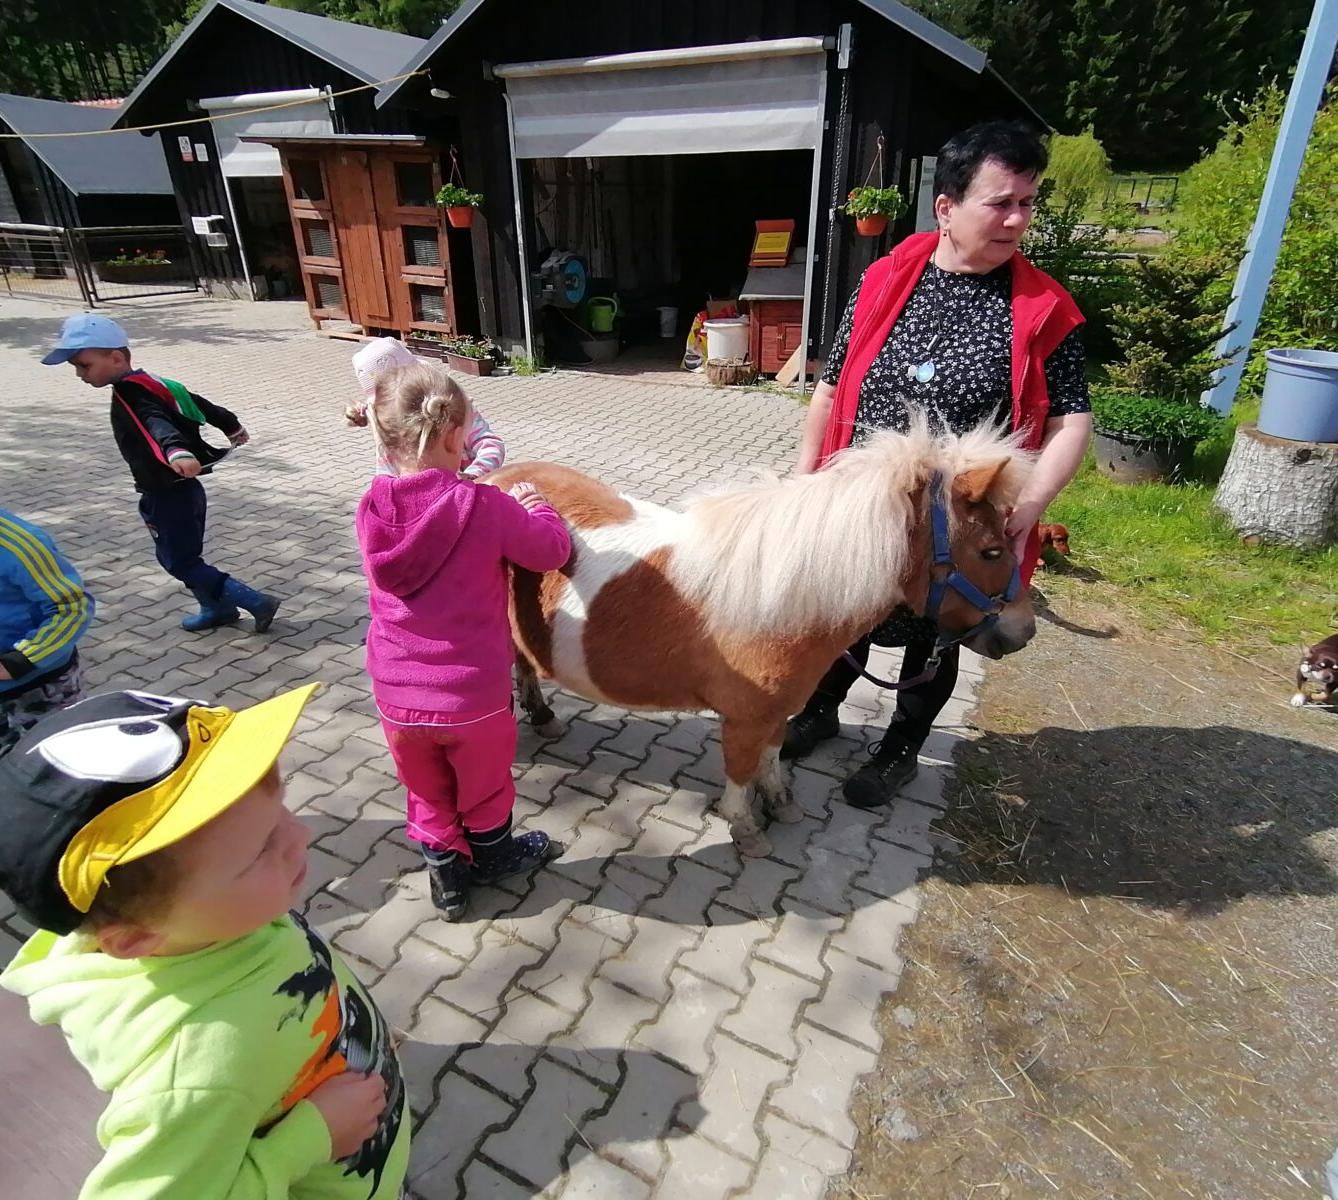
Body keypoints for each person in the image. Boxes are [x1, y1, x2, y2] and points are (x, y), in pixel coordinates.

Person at [786, 120, 1093, 809]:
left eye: (1027, 202)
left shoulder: (1046, 308)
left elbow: (1072, 420)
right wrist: (806, 473)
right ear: (947, 207)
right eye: (1000, 202)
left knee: (938, 633)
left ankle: (900, 748)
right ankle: (819, 711)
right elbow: (830, 386)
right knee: (848, 610)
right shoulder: (884, 278)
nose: (1017, 218)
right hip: (864, 502)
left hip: (962, 514)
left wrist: (1030, 507)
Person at [0, 685, 409, 1199]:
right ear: (135, 939)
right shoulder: (194, 1069)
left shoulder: (219, 922)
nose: (300, 835)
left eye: (280, 810)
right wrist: (305, 1141)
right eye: (261, 849)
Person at [356, 362, 571, 921]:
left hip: (395, 693)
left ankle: (447, 880)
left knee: (425, 788)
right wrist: (536, 504)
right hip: (470, 697)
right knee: (483, 786)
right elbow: (549, 552)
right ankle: (493, 858)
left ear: (385, 437)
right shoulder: (484, 505)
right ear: (458, 437)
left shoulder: (371, 508)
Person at [40, 313, 280, 633]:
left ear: (115, 357)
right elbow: (199, 403)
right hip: (184, 490)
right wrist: (230, 424)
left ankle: (253, 602)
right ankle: (215, 608)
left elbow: (156, 422)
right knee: (186, 556)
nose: (80, 375)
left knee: (180, 562)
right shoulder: (151, 381)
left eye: (84, 365)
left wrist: (176, 450)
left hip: (166, 493)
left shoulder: (131, 392)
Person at [0, 509, 95, 752]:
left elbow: (72, 607)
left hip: (37, 688)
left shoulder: (18, 544)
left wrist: (20, 660)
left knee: (58, 769)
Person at [347, 336, 506, 479]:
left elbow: (490, 445)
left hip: (470, 498)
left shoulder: (453, 406)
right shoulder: (389, 429)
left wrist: (474, 474)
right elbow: (385, 478)